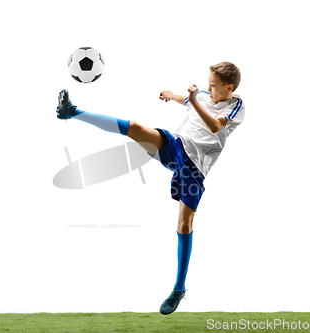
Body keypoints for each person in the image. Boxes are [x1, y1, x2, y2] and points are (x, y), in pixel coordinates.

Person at [56, 62, 245, 315]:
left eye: (213, 85)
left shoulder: (236, 107)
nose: (208, 88)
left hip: (195, 167)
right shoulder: (201, 95)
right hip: (177, 146)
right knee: (135, 128)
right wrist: (172, 96)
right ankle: (72, 112)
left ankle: (179, 288)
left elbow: (216, 126)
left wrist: (194, 101)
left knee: (185, 226)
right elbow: (186, 99)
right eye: (208, 83)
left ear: (229, 87)